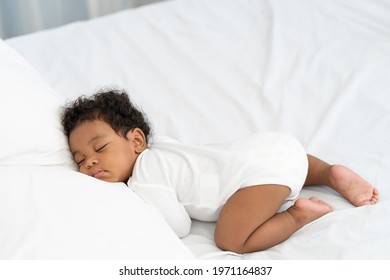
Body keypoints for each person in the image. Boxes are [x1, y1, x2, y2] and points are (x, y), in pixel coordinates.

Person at [62, 88, 379, 254]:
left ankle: (299, 215)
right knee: (293, 163)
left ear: (136, 140)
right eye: (79, 159)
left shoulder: (145, 176)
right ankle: (329, 174)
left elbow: (180, 226)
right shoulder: (166, 148)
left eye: (99, 148)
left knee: (231, 240)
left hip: (254, 180)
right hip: (274, 146)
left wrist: (141, 205)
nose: (88, 161)